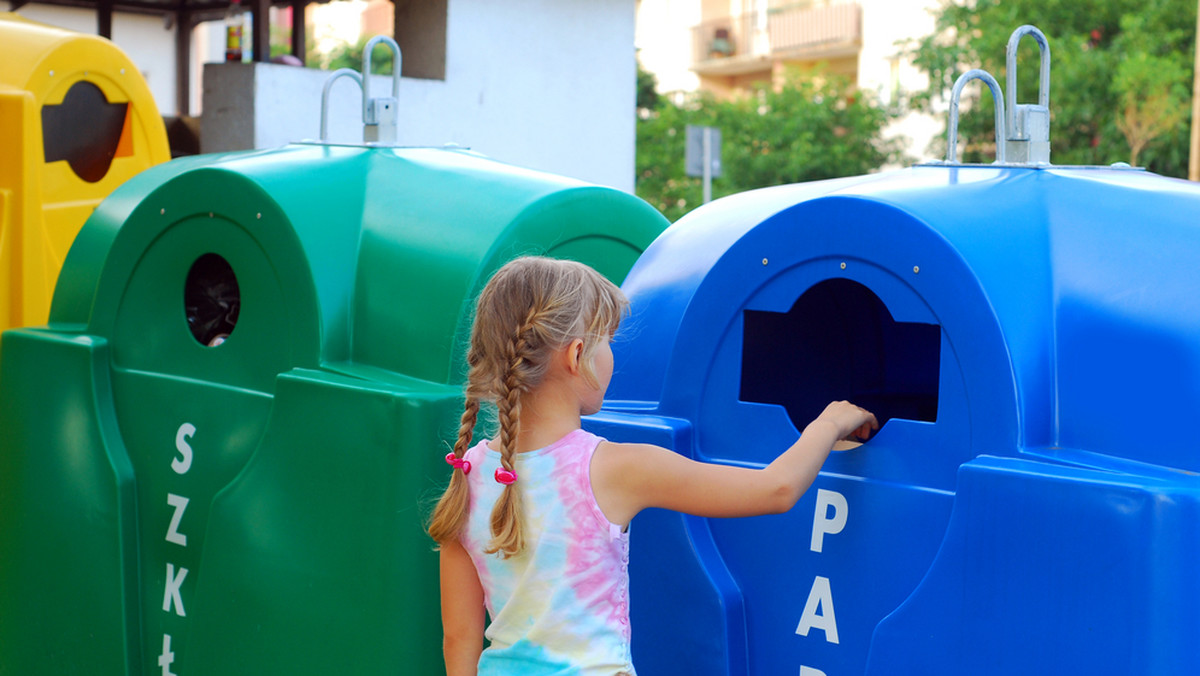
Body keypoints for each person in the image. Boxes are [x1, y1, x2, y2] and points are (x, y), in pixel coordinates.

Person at [428, 256, 877, 676]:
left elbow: (459, 638)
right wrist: (830, 421)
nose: (612, 358)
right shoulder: (612, 468)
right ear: (576, 355)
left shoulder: (469, 474)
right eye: (607, 343)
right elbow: (776, 489)